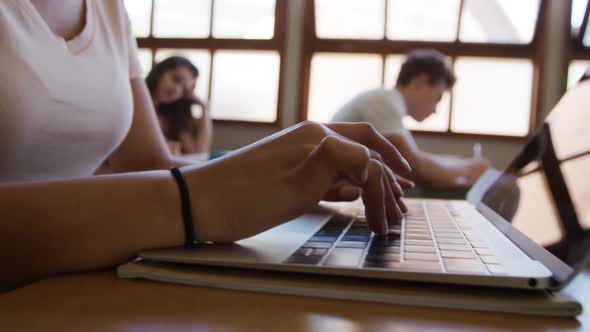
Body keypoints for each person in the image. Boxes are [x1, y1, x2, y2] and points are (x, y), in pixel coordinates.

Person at [0, 0, 412, 291]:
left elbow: (148, 163)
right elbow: (173, 185)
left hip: (70, 286)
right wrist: (204, 199)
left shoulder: (108, 8)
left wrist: (278, 172)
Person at [331, 49, 489, 188]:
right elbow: (412, 166)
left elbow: (416, 158)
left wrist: (459, 162)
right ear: (420, 81)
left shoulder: (388, 102)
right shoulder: (383, 100)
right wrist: (467, 168)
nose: (435, 109)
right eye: (438, 97)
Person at [145, 56, 212, 155]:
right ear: (160, 72)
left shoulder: (172, 117)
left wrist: (204, 108)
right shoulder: (134, 103)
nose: (177, 89)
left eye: (184, 90)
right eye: (176, 79)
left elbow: (199, 154)